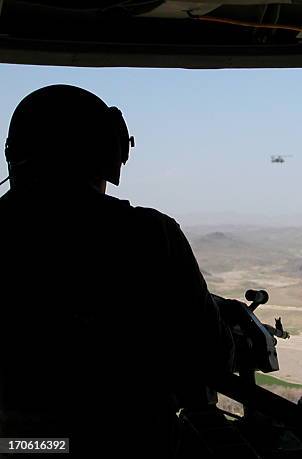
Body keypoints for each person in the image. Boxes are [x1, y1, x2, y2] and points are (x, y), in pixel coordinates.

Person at [0, 85, 234, 457]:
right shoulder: (150, 235)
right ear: (110, 152)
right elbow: (210, 356)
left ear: (14, 153)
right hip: (125, 443)